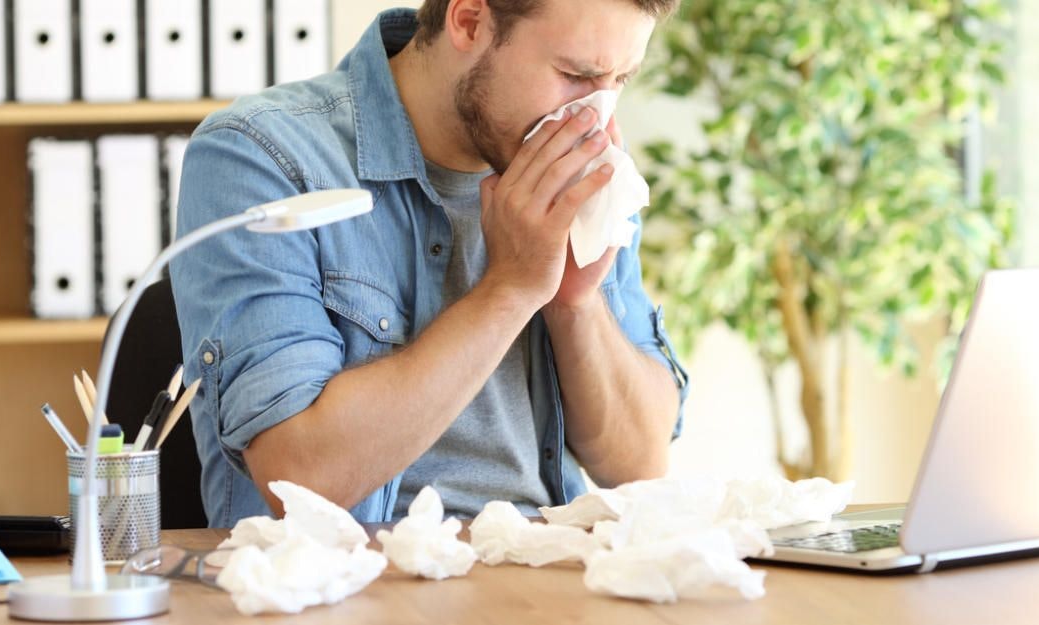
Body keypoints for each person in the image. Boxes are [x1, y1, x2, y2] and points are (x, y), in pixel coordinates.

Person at [170, 0, 689, 527]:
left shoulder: (583, 170)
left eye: (620, 79)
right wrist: (511, 289)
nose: (593, 118)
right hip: (355, 588)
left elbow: (641, 464)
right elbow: (299, 477)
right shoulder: (261, 156)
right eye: (576, 75)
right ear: (468, 21)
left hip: (545, 574)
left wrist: (576, 302)